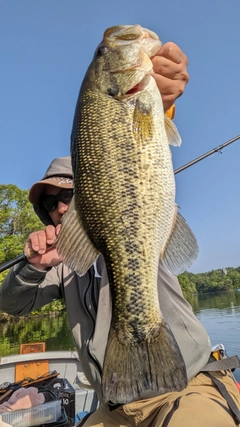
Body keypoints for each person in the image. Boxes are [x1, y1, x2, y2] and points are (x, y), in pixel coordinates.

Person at [0, 43, 239, 427]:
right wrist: (30, 267)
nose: (60, 207)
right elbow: (12, 305)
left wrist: (161, 103)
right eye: (50, 204)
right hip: (109, 408)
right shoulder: (62, 267)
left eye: (68, 195)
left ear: (95, 187)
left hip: (188, 385)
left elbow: (137, 147)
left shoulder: (139, 224)